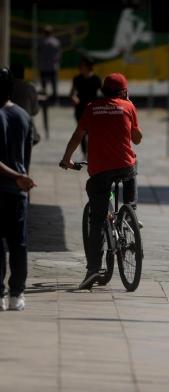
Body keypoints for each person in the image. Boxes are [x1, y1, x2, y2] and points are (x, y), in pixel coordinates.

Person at [60, 73, 142, 290]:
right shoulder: (128, 106)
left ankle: (93, 270)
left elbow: (78, 135)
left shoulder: (91, 107)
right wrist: (130, 109)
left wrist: (66, 158)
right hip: (124, 167)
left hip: (100, 171)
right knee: (133, 166)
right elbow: (137, 139)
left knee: (96, 221)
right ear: (123, 91)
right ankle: (131, 212)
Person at [0, 68, 36, 311]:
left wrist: (15, 176)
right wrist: (22, 178)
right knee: (18, 244)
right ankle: (17, 295)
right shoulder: (24, 116)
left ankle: (1, 294)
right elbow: (27, 155)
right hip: (19, 193)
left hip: (3, 188)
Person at [70, 56, 102, 157]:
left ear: (88, 66)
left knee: (93, 133)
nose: (80, 67)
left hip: (93, 109)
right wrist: (73, 98)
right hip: (80, 109)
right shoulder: (77, 78)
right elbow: (72, 93)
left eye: (82, 65)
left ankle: (93, 153)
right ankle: (85, 154)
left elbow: (102, 93)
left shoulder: (96, 79)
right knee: (81, 133)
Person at [10, 63, 41, 145]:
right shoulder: (29, 87)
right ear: (23, 74)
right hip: (26, 127)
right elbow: (35, 111)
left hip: (8, 126)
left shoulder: (6, 87)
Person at [38, 25, 61, 102]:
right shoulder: (56, 41)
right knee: (53, 85)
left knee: (45, 85)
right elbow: (59, 53)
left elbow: (38, 52)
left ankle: (45, 100)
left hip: (45, 66)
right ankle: (55, 100)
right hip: (52, 66)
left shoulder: (41, 41)